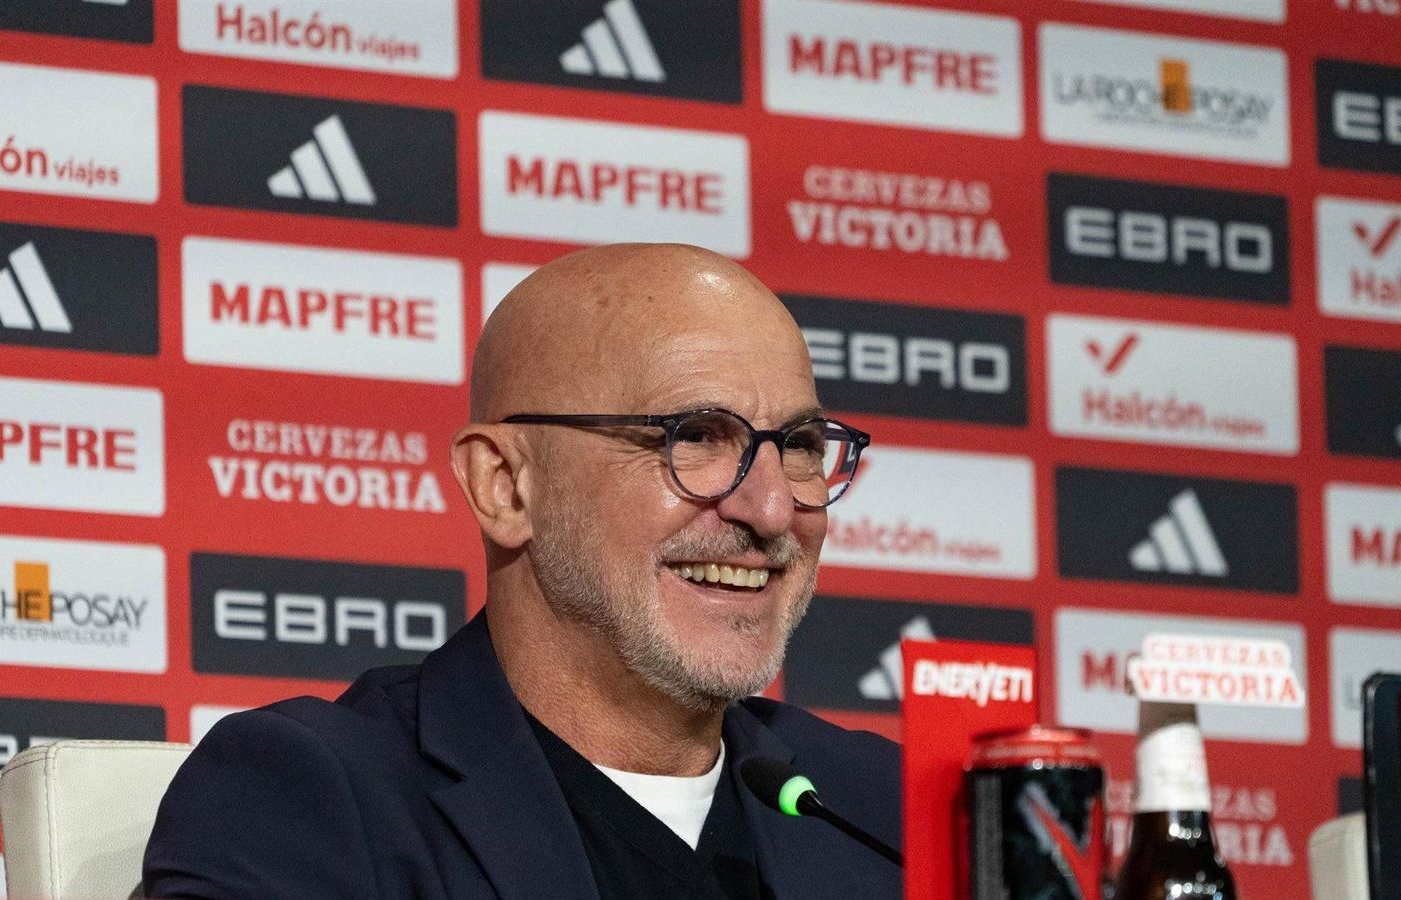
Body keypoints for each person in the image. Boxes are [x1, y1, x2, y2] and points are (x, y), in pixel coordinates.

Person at [143, 243, 900, 898]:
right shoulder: (305, 799)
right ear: (505, 486)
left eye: (800, 444)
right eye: (695, 435)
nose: (772, 509)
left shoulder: (887, 807)